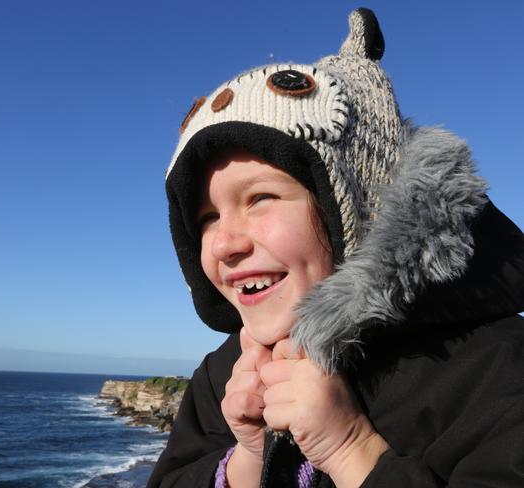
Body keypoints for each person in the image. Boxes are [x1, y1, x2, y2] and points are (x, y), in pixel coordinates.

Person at [148, 8, 524, 488]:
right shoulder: (223, 377)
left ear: (357, 204)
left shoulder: (496, 368)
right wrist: (246, 460)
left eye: (260, 197)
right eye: (206, 218)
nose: (225, 242)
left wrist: (351, 449)